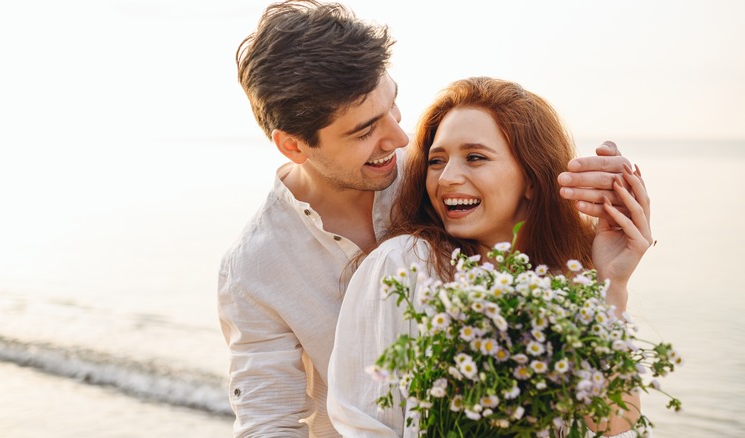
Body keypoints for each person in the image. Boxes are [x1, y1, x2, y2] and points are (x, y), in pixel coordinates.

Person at [218, 1, 640, 436]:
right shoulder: (255, 268)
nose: (400, 138)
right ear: (294, 146)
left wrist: (589, 205)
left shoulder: (438, 178)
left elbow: (604, 415)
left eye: (393, 105)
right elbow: (269, 421)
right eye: (365, 130)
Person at [327, 77, 652, 437]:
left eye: (475, 157)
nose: (447, 178)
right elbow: (362, 422)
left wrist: (612, 283)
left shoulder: (565, 283)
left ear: (531, 176)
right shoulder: (405, 264)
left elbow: (612, 420)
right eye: (436, 161)